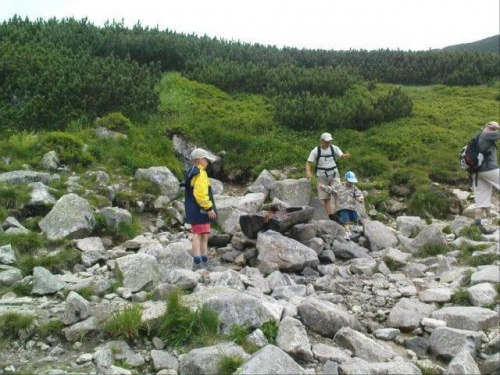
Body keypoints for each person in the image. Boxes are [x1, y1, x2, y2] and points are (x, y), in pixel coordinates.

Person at [183, 148, 217, 268]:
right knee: (199, 234)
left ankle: (203, 259)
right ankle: (198, 261)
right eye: (206, 159)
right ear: (200, 160)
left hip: (192, 208)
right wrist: (209, 208)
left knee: (203, 233)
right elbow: (200, 194)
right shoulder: (201, 174)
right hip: (200, 208)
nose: (207, 162)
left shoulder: (192, 171)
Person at [306, 132, 350, 220]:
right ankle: (332, 217)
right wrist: (308, 172)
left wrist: (345, 156)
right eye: (326, 141)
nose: (328, 143)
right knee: (326, 198)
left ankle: (340, 213)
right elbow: (308, 162)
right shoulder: (316, 150)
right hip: (322, 176)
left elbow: (341, 156)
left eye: (330, 141)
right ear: (321, 141)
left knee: (338, 193)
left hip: (334, 174)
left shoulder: (334, 148)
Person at [318, 171, 364, 240]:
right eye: (350, 181)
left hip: (352, 208)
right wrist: (323, 187)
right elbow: (331, 189)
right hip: (342, 208)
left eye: (352, 182)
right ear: (346, 179)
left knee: (355, 217)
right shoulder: (339, 186)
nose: (351, 183)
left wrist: (360, 198)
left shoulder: (354, 188)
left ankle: (356, 228)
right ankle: (348, 232)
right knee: (346, 220)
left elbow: (358, 194)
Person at [473, 121, 499, 234]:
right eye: (494, 128)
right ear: (490, 127)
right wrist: (496, 127)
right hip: (488, 168)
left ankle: (477, 226)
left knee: (481, 199)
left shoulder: (478, 136)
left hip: (476, 171)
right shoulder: (486, 134)